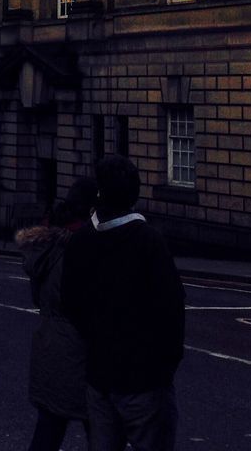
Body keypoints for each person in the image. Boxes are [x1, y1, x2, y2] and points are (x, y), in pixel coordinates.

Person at [60, 155, 184, 451]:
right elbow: (172, 308)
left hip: (101, 375)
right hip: (145, 380)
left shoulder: (81, 242)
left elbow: (71, 305)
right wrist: (165, 367)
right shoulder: (149, 241)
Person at [16, 178, 98, 451]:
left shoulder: (47, 246)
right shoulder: (82, 247)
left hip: (50, 345)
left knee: (49, 429)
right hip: (81, 350)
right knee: (100, 432)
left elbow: (39, 297)